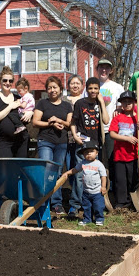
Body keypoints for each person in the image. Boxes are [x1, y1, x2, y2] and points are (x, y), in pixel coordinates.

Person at [32, 76, 73, 215]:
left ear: (60, 89)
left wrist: (58, 120)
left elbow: (69, 124)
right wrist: (50, 123)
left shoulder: (67, 105)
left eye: (55, 87)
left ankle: (56, 203)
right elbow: (35, 122)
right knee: (46, 170)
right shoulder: (43, 103)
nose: (52, 90)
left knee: (58, 172)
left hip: (61, 143)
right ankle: (43, 202)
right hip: (45, 141)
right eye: (49, 88)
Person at [70, 77, 109, 216]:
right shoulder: (80, 103)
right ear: (86, 89)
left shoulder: (99, 104)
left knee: (94, 174)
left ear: (99, 90)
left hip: (96, 145)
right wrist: (75, 136)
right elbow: (73, 122)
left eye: (96, 88)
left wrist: (102, 103)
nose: (93, 91)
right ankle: (74, 206)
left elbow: (106, 120)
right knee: (80, 174)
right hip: (82, 144)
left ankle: (93, 204)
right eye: (90, 88)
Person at [109, 91, 139, 209]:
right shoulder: (118, 118)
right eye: (124, 102)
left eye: (130, 102)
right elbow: (112, 134)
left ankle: (132, 201)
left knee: (133, 178)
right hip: (120, 154)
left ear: (135, 103)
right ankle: (121, 202)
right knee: (120, 180)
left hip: (135, 154)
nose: (127, 104)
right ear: (121, 104)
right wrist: (126, 139)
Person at [62, 140, 107, 226]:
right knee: (87, 207)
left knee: (98, 206)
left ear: (97, 153)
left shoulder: (99, 164)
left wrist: (103, 187)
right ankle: (87, 219)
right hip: (86, 192)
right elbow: (75, 170)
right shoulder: (83, 163)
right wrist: (67, 173)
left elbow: (103, 176)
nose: (89, 154)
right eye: (86, 152)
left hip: (97, 191)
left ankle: (99, 218)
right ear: (83, 155)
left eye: (91, 151)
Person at [0, 67, 32, 157]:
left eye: (10, 81)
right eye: (5, 80)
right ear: (0, 80)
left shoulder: (18, 98)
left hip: (21, 140)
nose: (7, 83)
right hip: (5, 142)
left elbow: (30, 108)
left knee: (19, 170)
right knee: (6, 169)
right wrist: (10, 106)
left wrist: (30, 113)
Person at [95, 59, 124, 187]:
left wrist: (119, 109)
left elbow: (122, 107)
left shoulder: (117, 87)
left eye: (107, 68)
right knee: (98, 159)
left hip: (112, 129)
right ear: (97, 69)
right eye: (101, 67)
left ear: (111, 70)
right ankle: (99, 187)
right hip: (95, 129)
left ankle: (112, 187)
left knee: (112, 159)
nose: (104, 70)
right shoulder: (92, 86)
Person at [63, 75, 84, 217]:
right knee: (67, 169)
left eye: (78, 83)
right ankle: (68, 197)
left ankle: (76, 203)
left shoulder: (85, 100)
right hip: (64, 139)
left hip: (80, 141)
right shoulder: (63, 100)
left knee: (78, 172)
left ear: (82, 86)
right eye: (72, 83)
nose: (75, 86)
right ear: (68, 85)